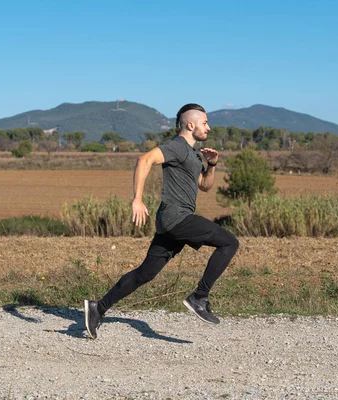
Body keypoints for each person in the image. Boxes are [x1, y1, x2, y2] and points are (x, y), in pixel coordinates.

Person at [84, 103, 239, 339]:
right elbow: (144, 160)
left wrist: (212, 165)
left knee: (145, 273)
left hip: (172, 222)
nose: (208, 127)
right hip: (177, 217)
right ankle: (199, 297)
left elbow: (205, 186)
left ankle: (98, 308)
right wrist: (137, 199)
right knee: (229, 243)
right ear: (190, 125)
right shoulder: (176, 147)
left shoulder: (194, 154)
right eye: (205, 122)